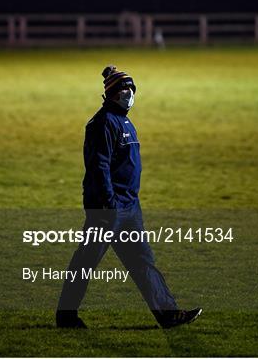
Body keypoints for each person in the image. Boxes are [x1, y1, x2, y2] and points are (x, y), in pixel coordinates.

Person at [56, 65, 202, 329]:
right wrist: (110, 204)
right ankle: (66, 316)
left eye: (131, 89)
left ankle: (168, 314)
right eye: (124, 89)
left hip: (129, 208)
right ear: (112, 94)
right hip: (108, 209)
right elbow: (99, 167)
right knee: (86, 262)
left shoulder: (124, 120)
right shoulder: (101, 123)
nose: (129, 93)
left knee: (142, 261)